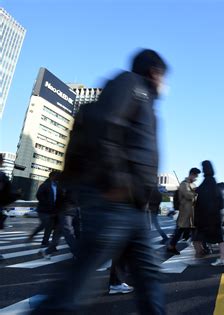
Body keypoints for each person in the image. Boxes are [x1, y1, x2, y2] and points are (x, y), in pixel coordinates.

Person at [32, 49, 168, 315]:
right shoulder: (130, 85)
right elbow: (105, 124)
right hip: (115, 203)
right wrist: (117, 181)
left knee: (148, 276)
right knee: (77, 281)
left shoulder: (144, 99)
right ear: (155, 72)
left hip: (132, 207)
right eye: (164, 77)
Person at [193, 161, 224, 266]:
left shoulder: (204, 184)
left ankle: (198, 256)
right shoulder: (214, 182)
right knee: (219, 237)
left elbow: (196, 199)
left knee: (196, 236)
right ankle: (223, 258)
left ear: (204, 169)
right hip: (215, 215)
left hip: (204, 216)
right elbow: (221, 202)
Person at [167, 167, 200, 255]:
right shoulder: (184, 184)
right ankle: (171, 246)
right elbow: (189, 195)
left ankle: (198, 248)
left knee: (187, 230)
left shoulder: (193, 185)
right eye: (195, 176)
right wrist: (197, 193)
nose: (196, 178)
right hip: (185, 211)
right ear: (191, 174)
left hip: (192, 211)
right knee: (180, 229)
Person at [28, 171, 61, 246]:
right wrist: (46, 203)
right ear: (51, 176)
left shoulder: (58, 186)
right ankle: (32, 235)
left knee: (50, 226)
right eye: (56, 176)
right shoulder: (45, 185)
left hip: (53, 210)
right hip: (43, 209)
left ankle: (45, 241)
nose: (58, 178)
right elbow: (39, 195)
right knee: (45, 223)